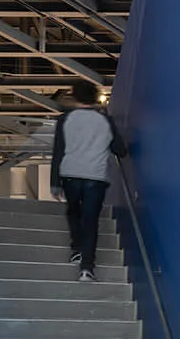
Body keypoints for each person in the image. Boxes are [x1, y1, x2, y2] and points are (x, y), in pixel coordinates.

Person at [50, 82, 125, 282]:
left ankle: (76, 248)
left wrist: (55, 182)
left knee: (73, 211)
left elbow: (58, 152)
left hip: (70, 174)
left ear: (75, 97)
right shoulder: (105, 121)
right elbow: (120, 149)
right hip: (95, 176)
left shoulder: (65, 120)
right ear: (94, 98)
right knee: (90, 221)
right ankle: (86, 269)